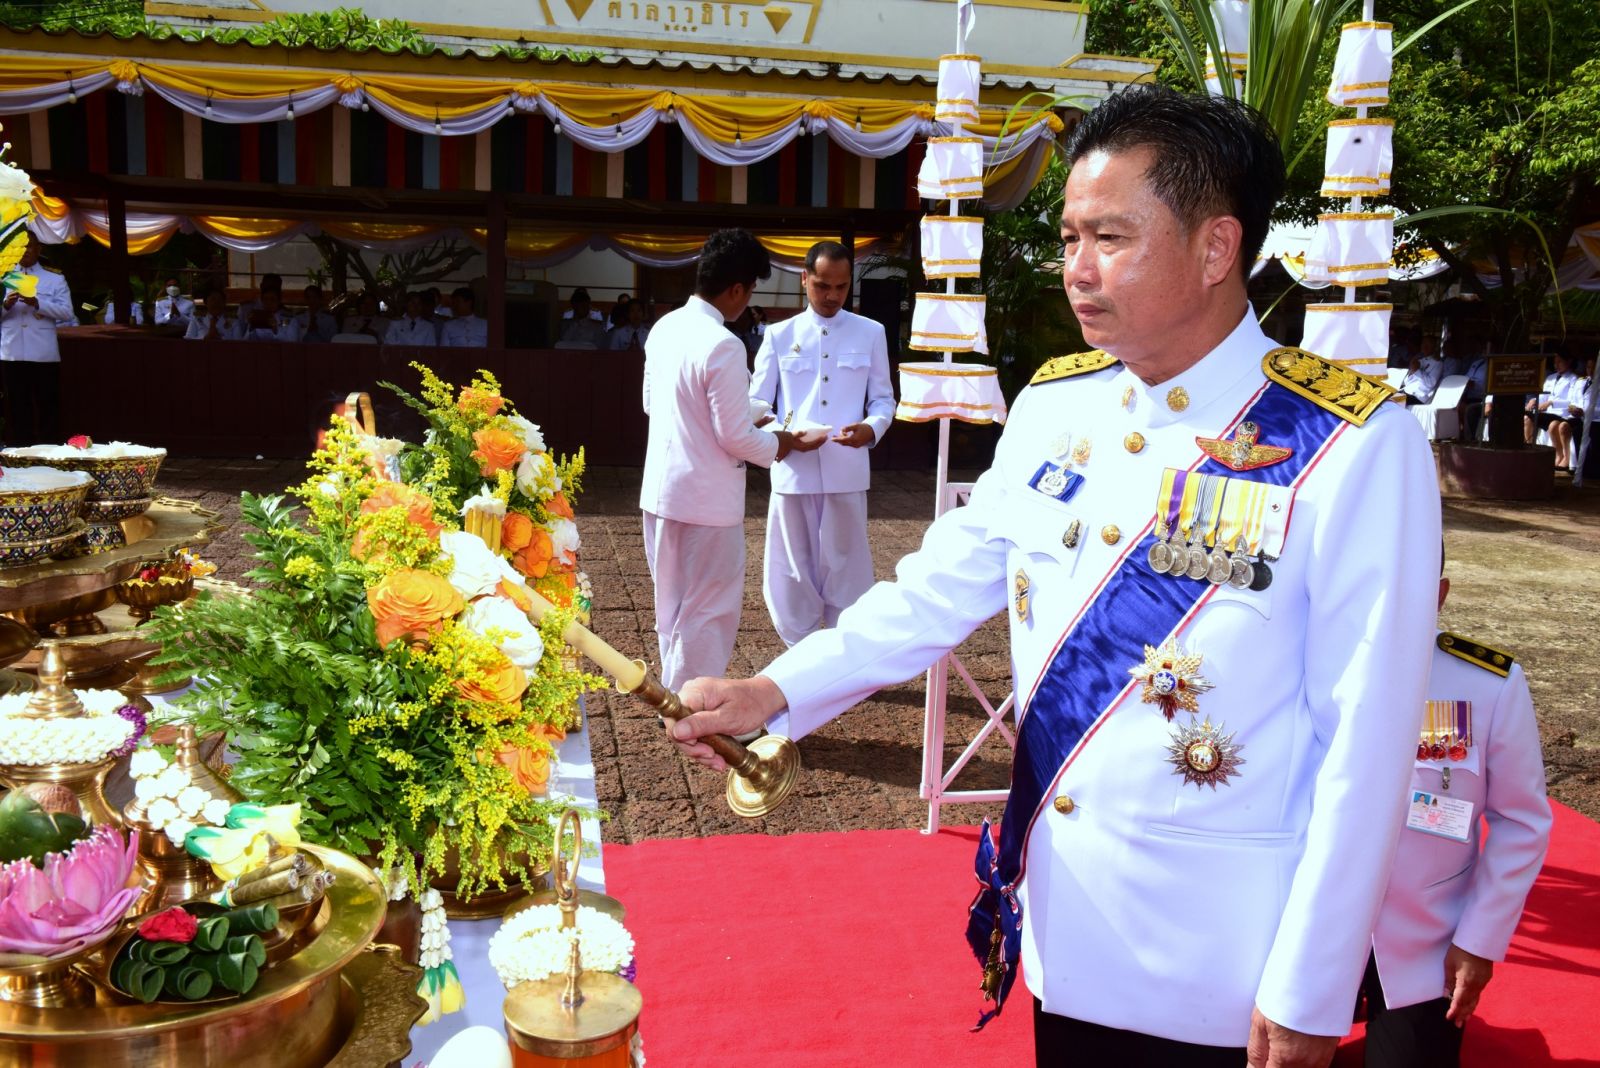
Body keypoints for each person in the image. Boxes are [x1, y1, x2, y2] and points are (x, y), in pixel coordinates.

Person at [667, 86, 1441, 1066]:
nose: (1075, 268)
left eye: (1108, 238)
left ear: (1214, 248)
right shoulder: (1053, 405)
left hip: (1221, 971)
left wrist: (1310, 989)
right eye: (1068, 237)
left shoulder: (1352, 443)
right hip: (1062, 935)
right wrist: (773, 690)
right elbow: (935, 588)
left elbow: (1364, 746)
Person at [1360, 561, 1551, 1068]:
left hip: (1419, 935)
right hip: (1299, 927)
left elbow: (1522, 821)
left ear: (1439, 593)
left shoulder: (1486, 683)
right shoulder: (1309, 664)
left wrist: (1479, 939)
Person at [638, 228, 826, 692]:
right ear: (737, 289)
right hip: (706, 500)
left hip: (660, 491)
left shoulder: (665, 326)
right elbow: (734, 436)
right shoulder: (723, 343)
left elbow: (652, 401)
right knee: (708, 609)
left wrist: (753, 415)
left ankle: (677, 696)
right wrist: (782, 443)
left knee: (673, 605)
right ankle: (693, 707)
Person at [749, 240, 895, 645]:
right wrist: (784, 435)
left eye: (841, 287)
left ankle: (845, 650)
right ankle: (798, 646)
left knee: (848, 562)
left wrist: (871, 428)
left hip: (847, 468)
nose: (831, 296)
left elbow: (883, 398)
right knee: (792, 564)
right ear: (804, 279)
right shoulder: (780, 334)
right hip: (793, 468)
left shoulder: (870, 332)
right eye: (821, 286)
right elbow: (757, 401)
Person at [1, 234, 72, 445]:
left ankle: (48, 451)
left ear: (38, 248)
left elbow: (67, 312)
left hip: (42, 352)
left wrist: (38, 302)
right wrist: (5, 305)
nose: (25, 251)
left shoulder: (54, 278)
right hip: (12, 351)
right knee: (17, 405)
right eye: (20, 246)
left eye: (29, 246)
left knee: (47, 404)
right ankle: (22, 451)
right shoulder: (4, 276)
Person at [1525, 351, 1578, 450]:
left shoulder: (1573, 379)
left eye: (1559, 362)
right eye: (1555, 362)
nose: (1556, 365)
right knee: (1527, 418)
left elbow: (1572, 402)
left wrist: (1551, 403)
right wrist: (1534, 400)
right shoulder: (1551, 378)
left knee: (1552, 424)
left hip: (1562, 414)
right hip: (1548, 414)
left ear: (1568, 361)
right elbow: (1543, 396)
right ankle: (1529, 447)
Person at [1401, 332, 1445, 407]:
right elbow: (1407, 381)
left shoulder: (1438, 363)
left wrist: (1417, 371)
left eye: (1428, 343)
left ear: (1434, 346)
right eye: (1423, 343)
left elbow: (1430, 383)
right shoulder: (1420, 361)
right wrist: (1411, 372)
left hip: (1420, 397)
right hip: (1407, 392)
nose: (1425, 346)